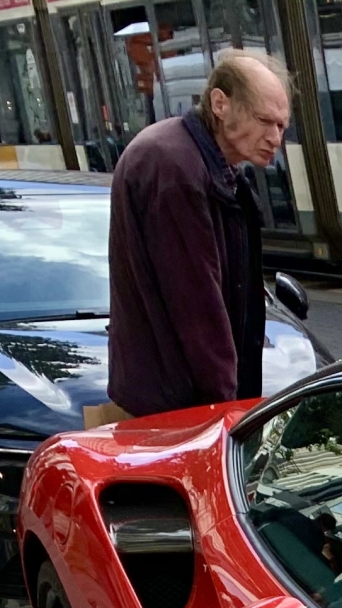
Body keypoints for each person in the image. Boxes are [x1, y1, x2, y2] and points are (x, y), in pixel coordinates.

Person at [102, 50, 290, 421]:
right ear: (221, 103)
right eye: (265, 121)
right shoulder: (174, 167)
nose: (275, 138)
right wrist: (227, 410)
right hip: (177, 408)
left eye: (282, 126)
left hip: (175, 398)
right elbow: (197, 305)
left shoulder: (196, 161)